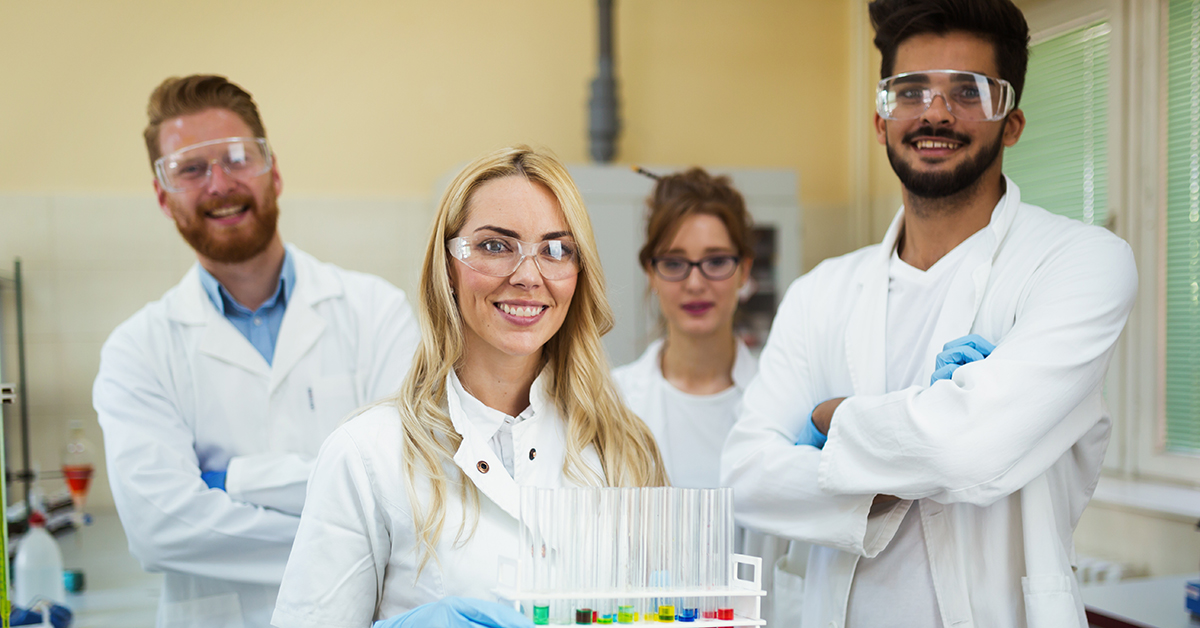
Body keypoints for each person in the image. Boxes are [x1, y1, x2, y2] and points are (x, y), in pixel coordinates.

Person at [720, 1, 1138, 627]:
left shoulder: (1080, 263)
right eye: (911, 91)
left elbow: (968, 447)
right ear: (880, 121)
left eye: (968, 91)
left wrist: (827, 420)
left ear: (1013, 121)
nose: (936, 111)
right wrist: (923, 441)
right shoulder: (820, 292)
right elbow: (748, 475)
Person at [271, 146, 667, 628]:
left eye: (555, 249)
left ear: (578, 275)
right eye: (495, 246)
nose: (527, 276)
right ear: (448, 268)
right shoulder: (366, 455)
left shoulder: (623, 450)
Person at [93, 75, 420, 628]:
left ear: (275, 172)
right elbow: (158, 529)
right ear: (163, 197)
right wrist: (350, 532)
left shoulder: (376, 312)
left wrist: (230, 481)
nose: (219, 184)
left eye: (238, 158)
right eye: (191, 169)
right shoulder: (137, 351)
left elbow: (405, 488)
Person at [611, 168, 793, 625]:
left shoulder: (781, 406)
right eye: (674, 262)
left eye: (715, 261)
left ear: (745, 270)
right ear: (650, 272)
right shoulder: (613, 404)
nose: (695, 283)